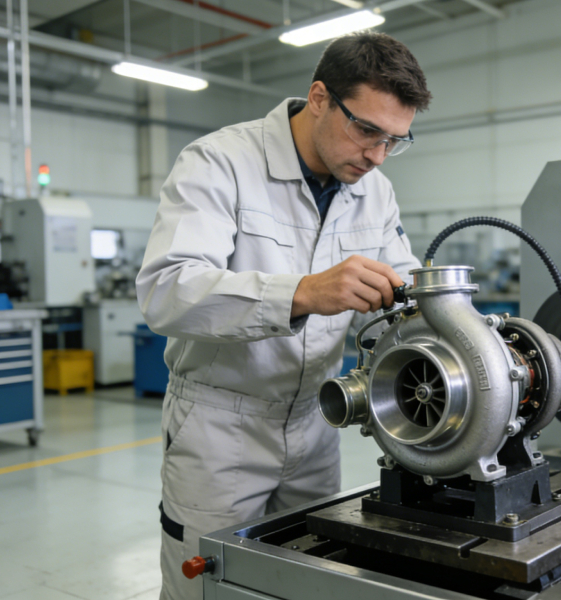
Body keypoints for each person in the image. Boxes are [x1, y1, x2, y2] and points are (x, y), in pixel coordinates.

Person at [135, 32, 431, 600]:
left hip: (319, 425)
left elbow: (402, 296)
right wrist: (302, 293)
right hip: (221, 429)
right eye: (367, 130)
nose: (377, 156)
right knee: (208, 586)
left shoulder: (375, 192)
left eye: (394, 141)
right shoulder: (220, 162)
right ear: (319, 97)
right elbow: (166, 291)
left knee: (306, 580)